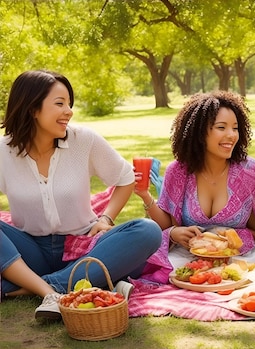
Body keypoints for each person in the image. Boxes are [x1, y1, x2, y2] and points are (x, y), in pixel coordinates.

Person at [0, 70, 162, 320]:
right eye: (59, 103)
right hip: (29, 252)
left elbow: (125, 178)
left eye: (69, 104)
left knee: (147, 231)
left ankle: (35, 288)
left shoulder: (83, 140)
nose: (69, 111)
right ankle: (61, 288)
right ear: (33, 108)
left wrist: (106, 218)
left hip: (84, 247)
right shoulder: (4, 151)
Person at [134, 90, 255, 276]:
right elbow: (165, 223)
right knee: (158, 271)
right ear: (200, 132)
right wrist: (147, 198)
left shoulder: (250, 171)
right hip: (189, 258)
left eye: (235, 128)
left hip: (241, 258)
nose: (232, 135)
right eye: (221, 127)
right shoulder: (178, 171)